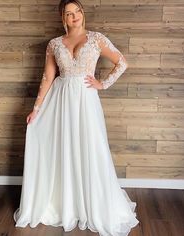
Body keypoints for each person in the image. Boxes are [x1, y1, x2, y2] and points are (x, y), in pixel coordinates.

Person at [13, 0, 139, 235]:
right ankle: (65, 202)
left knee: (90, 147)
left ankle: (91, 202)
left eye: (77, 12)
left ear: (82, 13)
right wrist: (36, 109)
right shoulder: (54, 44)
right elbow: (48, 78)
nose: (74, 17)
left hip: (85, 100)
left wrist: (103, 84)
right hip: (59, 101)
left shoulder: (96, 38)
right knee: (62, 148)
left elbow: (122, 62)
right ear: (63, 18)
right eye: (68, 14)